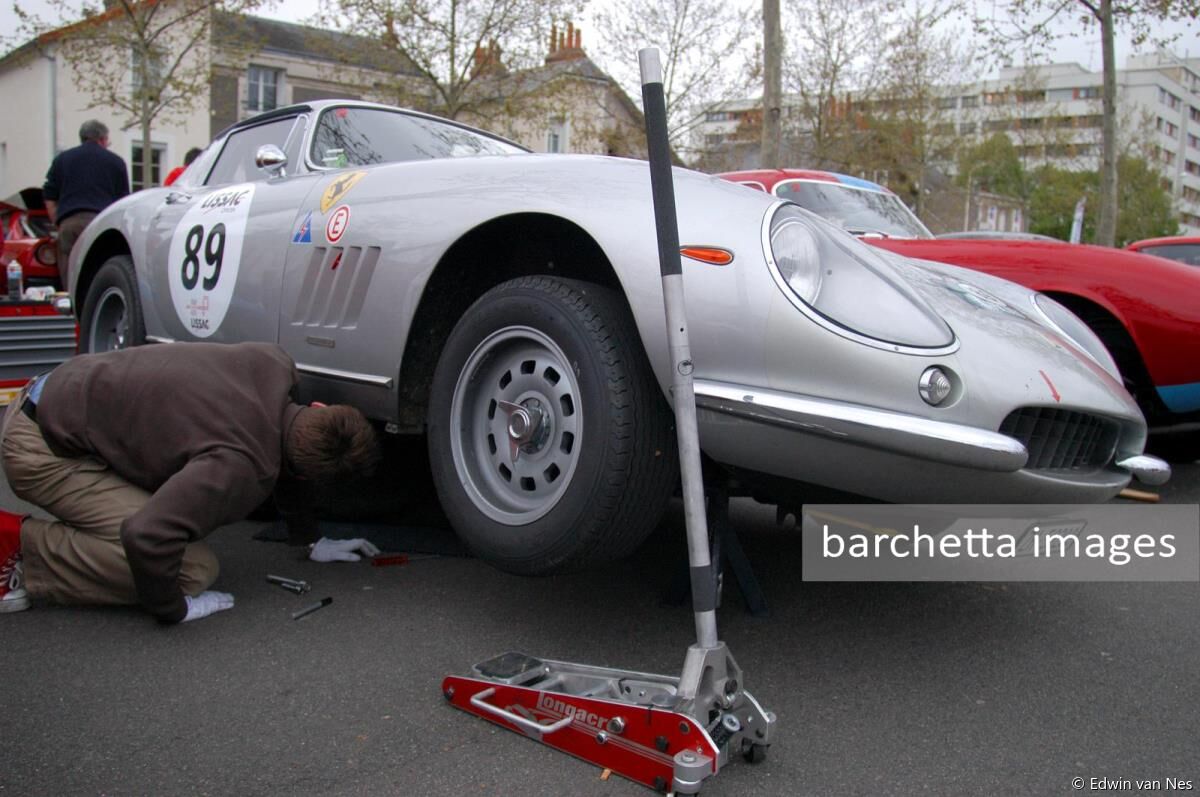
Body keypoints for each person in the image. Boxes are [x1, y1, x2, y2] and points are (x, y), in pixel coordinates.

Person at [0, 342, 382, 623]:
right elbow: (146, 536)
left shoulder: (275, 364)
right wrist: (172, 609)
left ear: (320, 408)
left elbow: (289, 440)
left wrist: (310, 539)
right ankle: (19, 548)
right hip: (42, 451)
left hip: (63, 391)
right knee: (191, 568)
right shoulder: (240, 467)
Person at [42, 119, 130, 286]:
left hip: (69, 223)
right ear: (102, 139)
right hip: (102, 224)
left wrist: (58, 222)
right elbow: (123, 201)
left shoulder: (62, 159)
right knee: (98, 273)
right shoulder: (116, 162)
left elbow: (49, 195)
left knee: (70, 276)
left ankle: (72, 307)